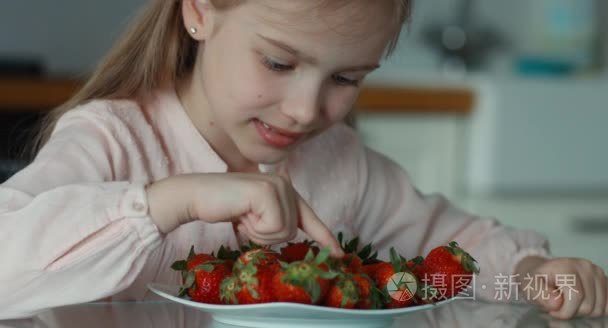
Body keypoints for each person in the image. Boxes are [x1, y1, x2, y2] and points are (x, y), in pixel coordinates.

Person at [0, 0, 605, 321]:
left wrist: (530, 273)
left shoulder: (340, 162)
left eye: (345, 77)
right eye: (279, 63)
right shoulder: (112, 140)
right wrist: (174, 201)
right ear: (199, 9)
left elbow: (457, 258)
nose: (306, 109)